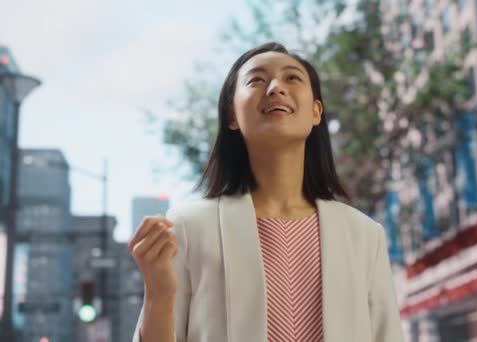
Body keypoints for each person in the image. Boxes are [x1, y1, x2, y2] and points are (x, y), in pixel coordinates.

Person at [129, 42, 404, 342]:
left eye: (292, 78)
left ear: (316, 112)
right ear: (232, 115)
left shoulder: (364, 235)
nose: (275, 87)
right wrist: (158, 294)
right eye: (256, 80)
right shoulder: (188, 228)